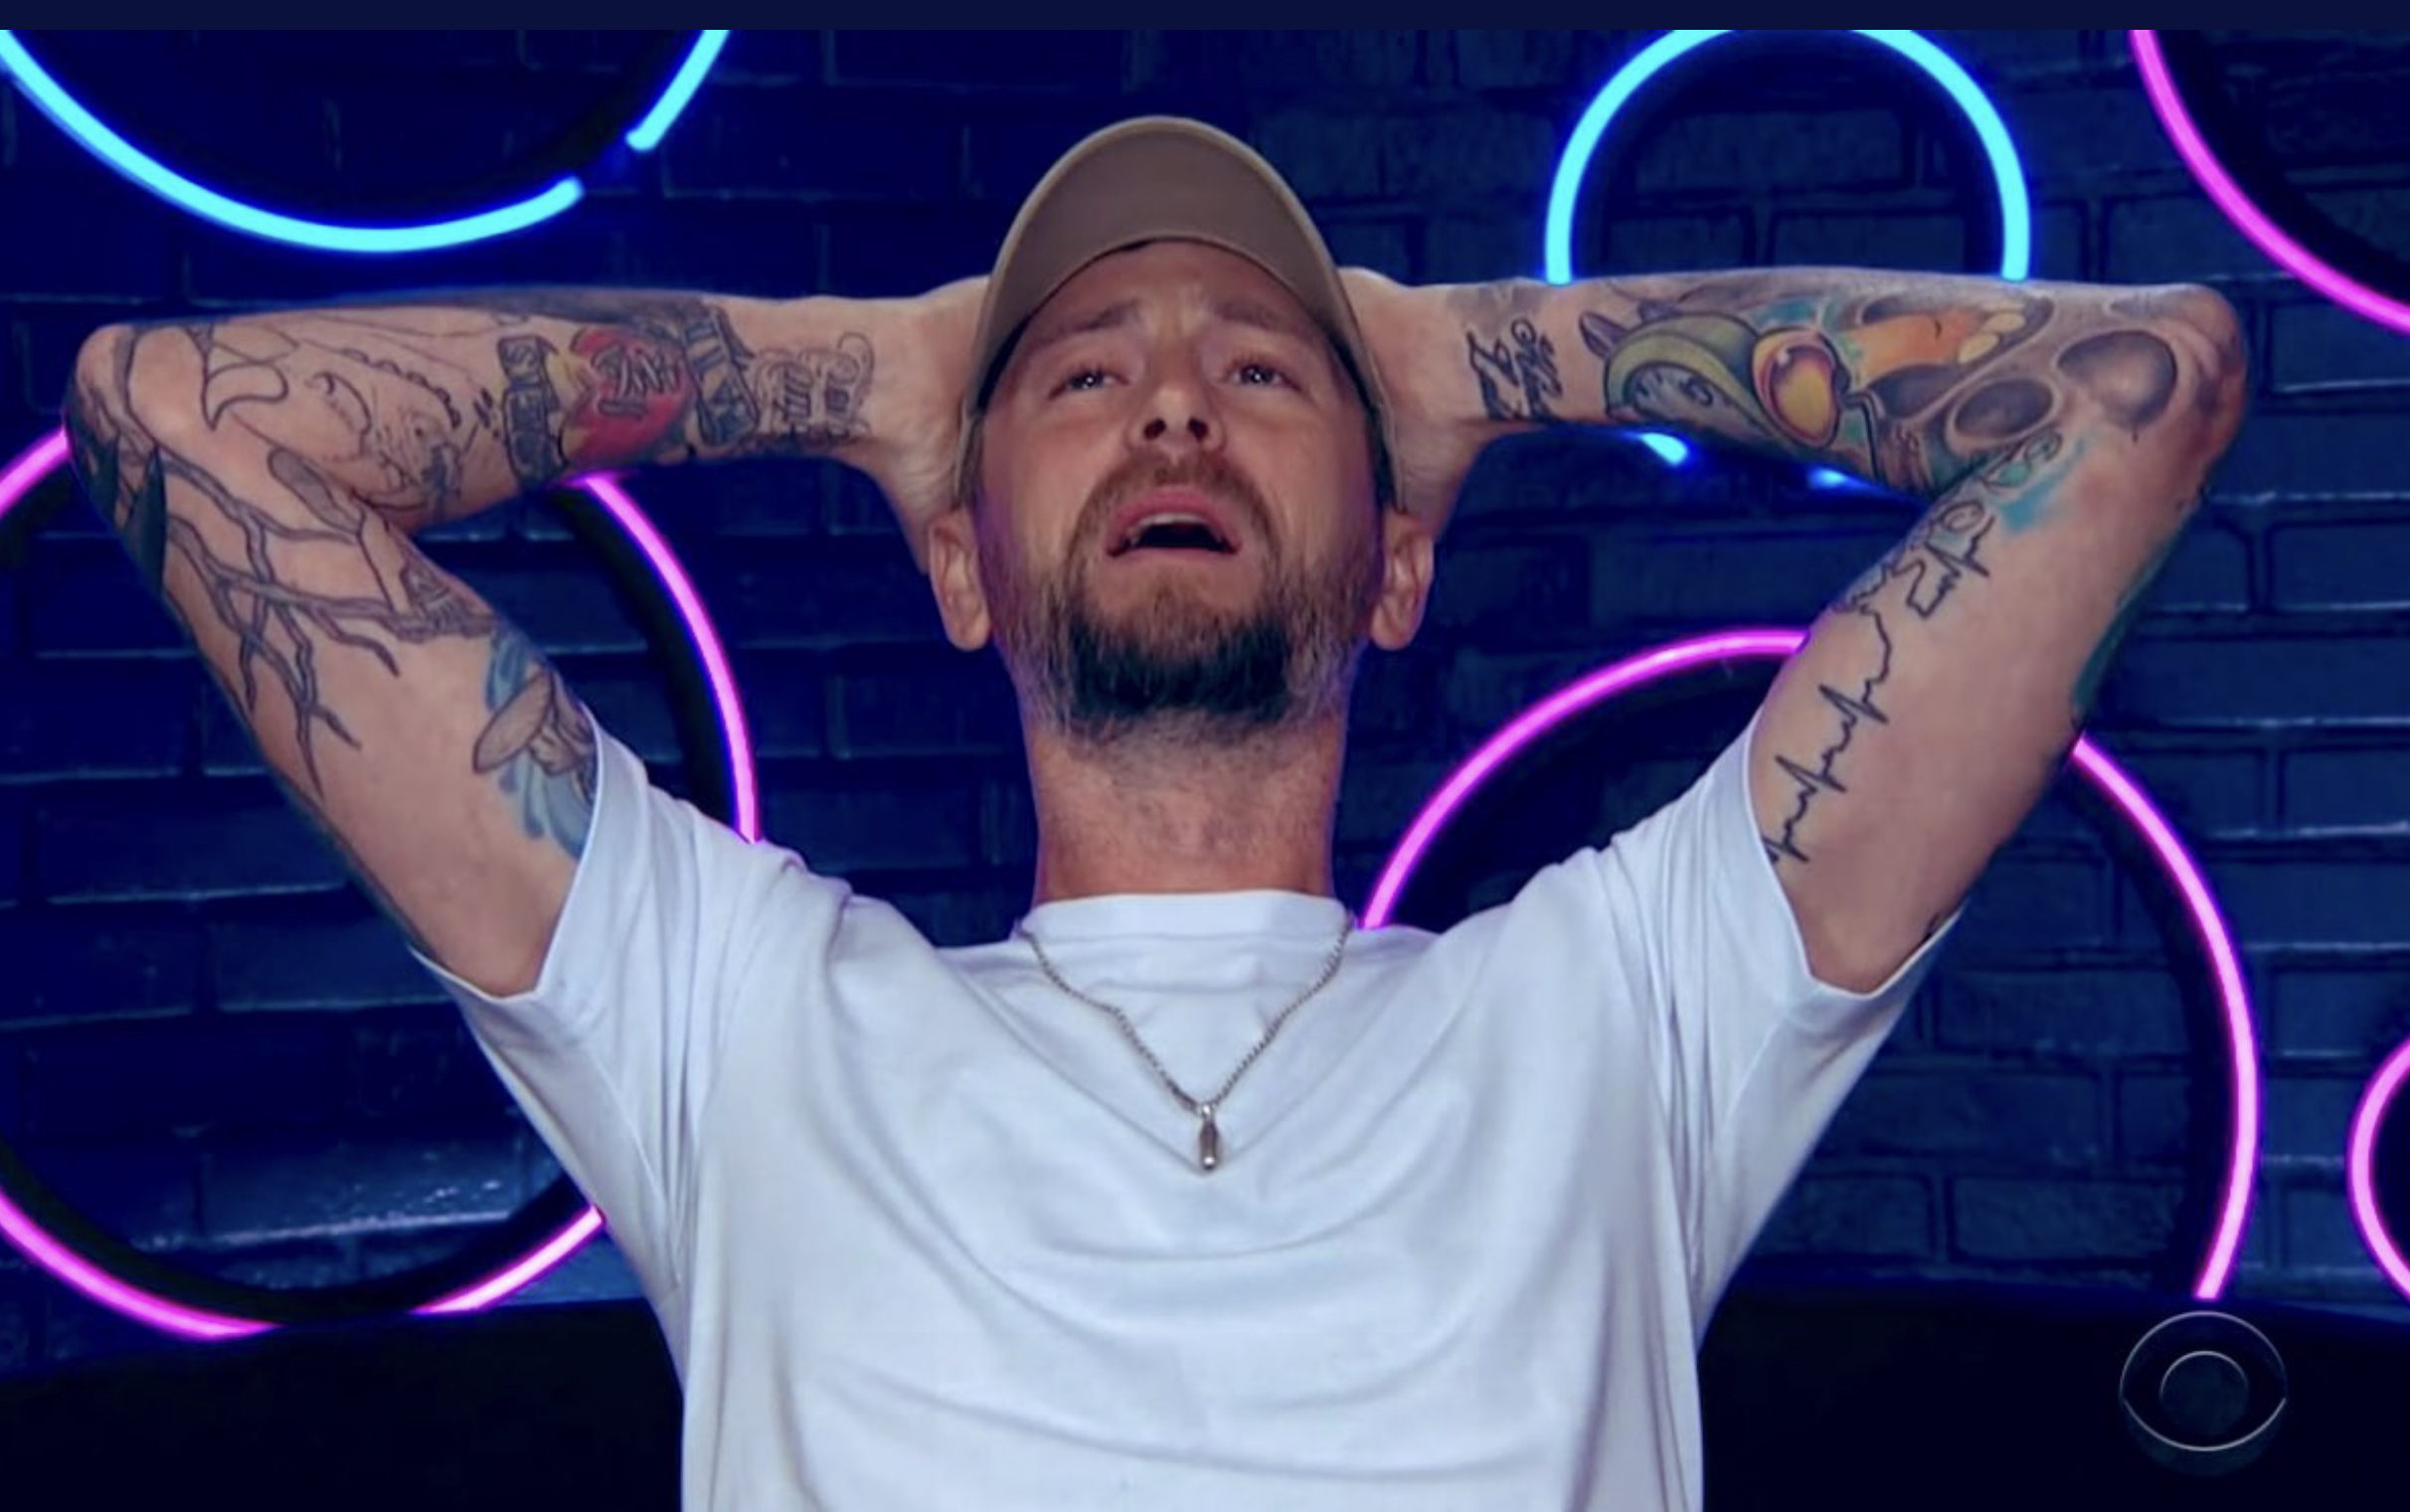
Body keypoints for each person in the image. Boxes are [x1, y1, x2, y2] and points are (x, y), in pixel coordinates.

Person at [63, 116, 2246, 1509]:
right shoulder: (733, 1009)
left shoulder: (1627, 997)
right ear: (958, 558)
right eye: (1087, 373)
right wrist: (847, 369)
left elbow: (2139, 394)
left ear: (1396, 560)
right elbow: (169, 420)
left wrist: (1477, 353)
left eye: (1265, 371)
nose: (1176, 402)